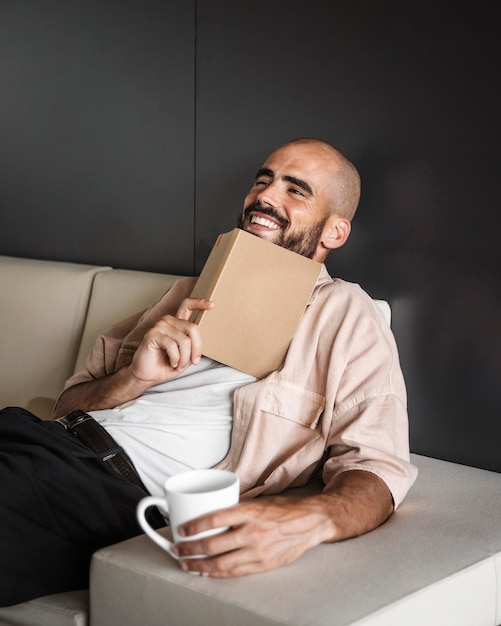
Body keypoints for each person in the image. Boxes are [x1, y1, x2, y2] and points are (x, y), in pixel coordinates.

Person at [0, 138, 417, 605]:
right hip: (34, 436)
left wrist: (306, 522)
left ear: (334, 232)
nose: (265, 196)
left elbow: (377, 465)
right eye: (263, 180)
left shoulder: (345, 312)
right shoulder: (189, 289)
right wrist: (134, 378)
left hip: (107, 488)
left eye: (295, 190)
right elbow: (67, 406)